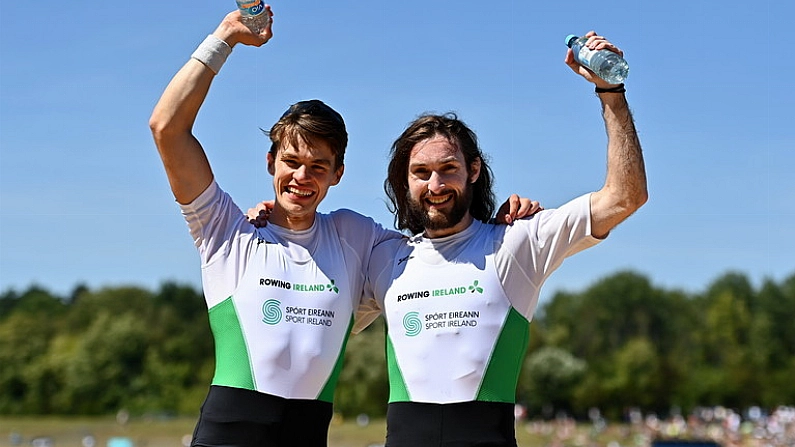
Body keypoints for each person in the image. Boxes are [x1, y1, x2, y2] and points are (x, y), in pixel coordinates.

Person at [149, 8, 538, 447]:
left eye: (318, 166)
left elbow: (439, 249)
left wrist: (493, 226)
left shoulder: (357, 238)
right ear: (270, 162)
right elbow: (167, 128)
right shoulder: (227, 233)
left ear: (338, 174)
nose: (301, 177)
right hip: (226, 433)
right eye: (291, 162)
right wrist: (225, 37)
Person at [356, 32, 648, 447]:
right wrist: (278, 218)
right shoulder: (384, 258)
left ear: (473, 170)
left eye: (449, 169)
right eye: (421, 172)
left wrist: (611, 91)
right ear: (405, 182)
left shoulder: (517, 243)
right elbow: (311, 314)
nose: (435, 184)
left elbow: (625, 196)